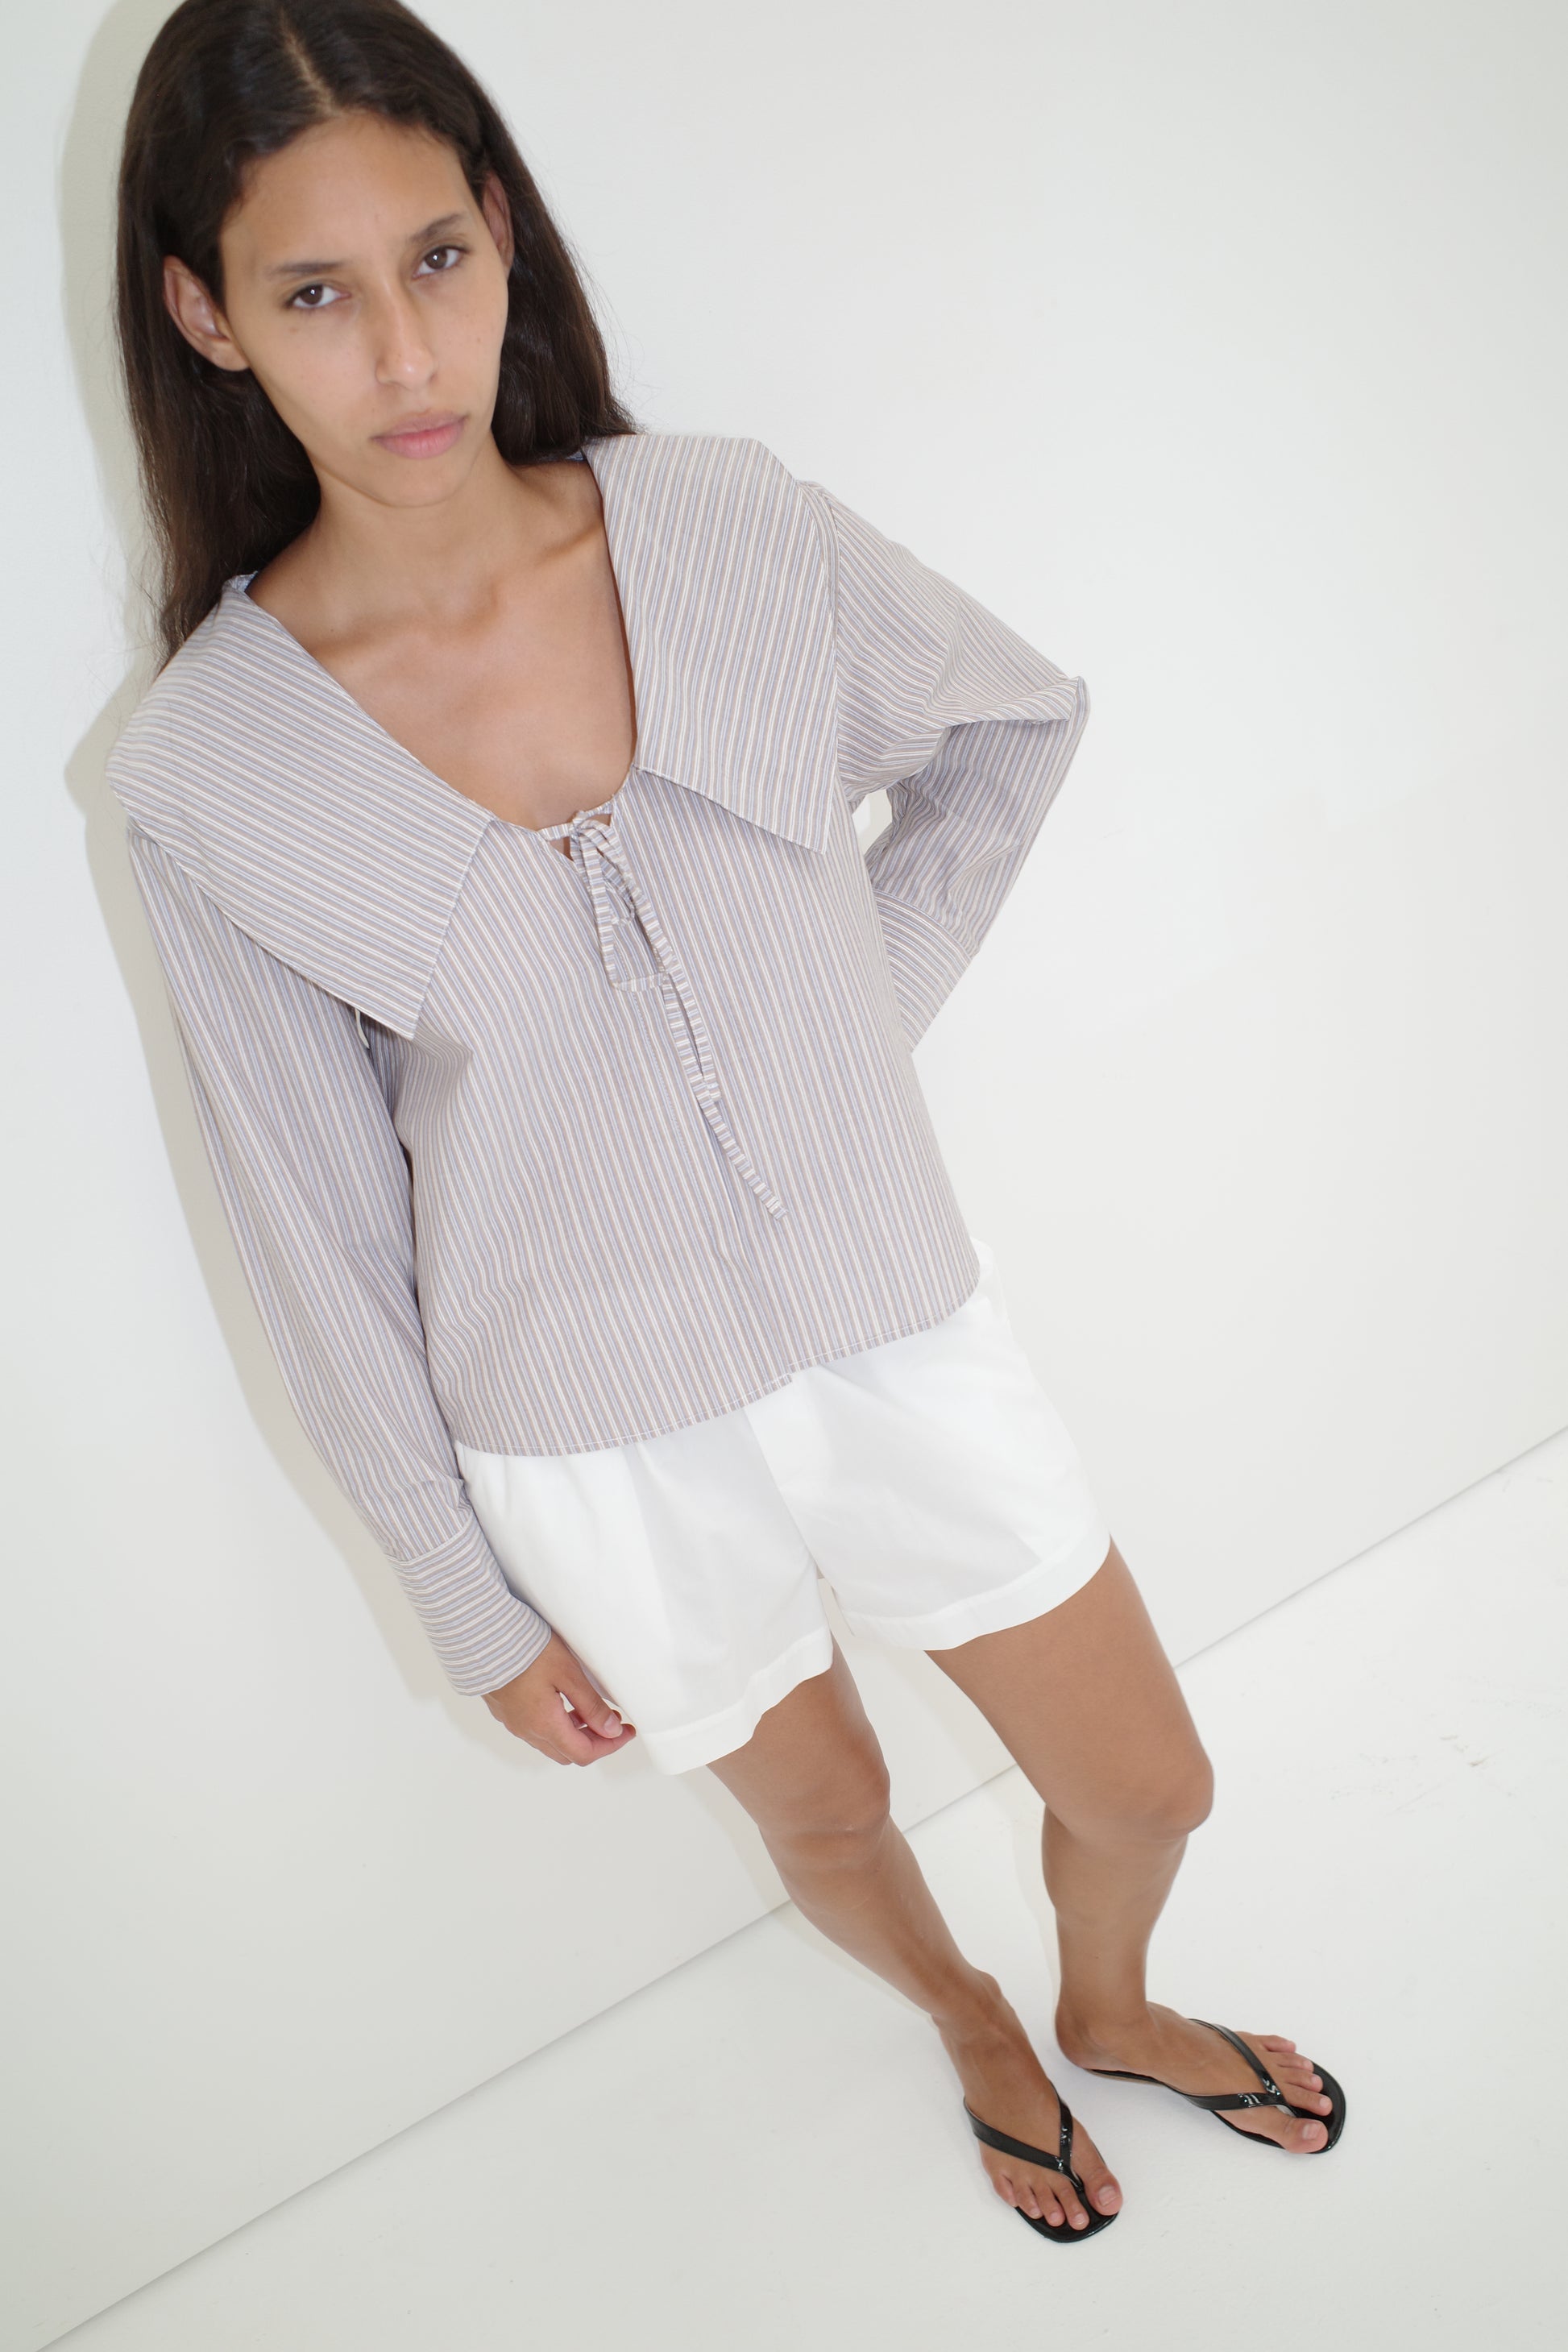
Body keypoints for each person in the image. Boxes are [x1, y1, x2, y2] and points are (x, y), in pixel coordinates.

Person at [109, 0, 1344, 2245]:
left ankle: (1107, 1998)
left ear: (503, 240)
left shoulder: (722, 530)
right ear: (205, 315)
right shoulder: (212, 773)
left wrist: (839, 1030)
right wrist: (468, 1600)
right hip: (586, 1442)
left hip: (890, 1326)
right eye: (313, 291)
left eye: (437, 259)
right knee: (830, 1811)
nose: (402, 351)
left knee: (1143, 1773)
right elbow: (308, 1225)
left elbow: (1006, 730)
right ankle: (971, 2025)